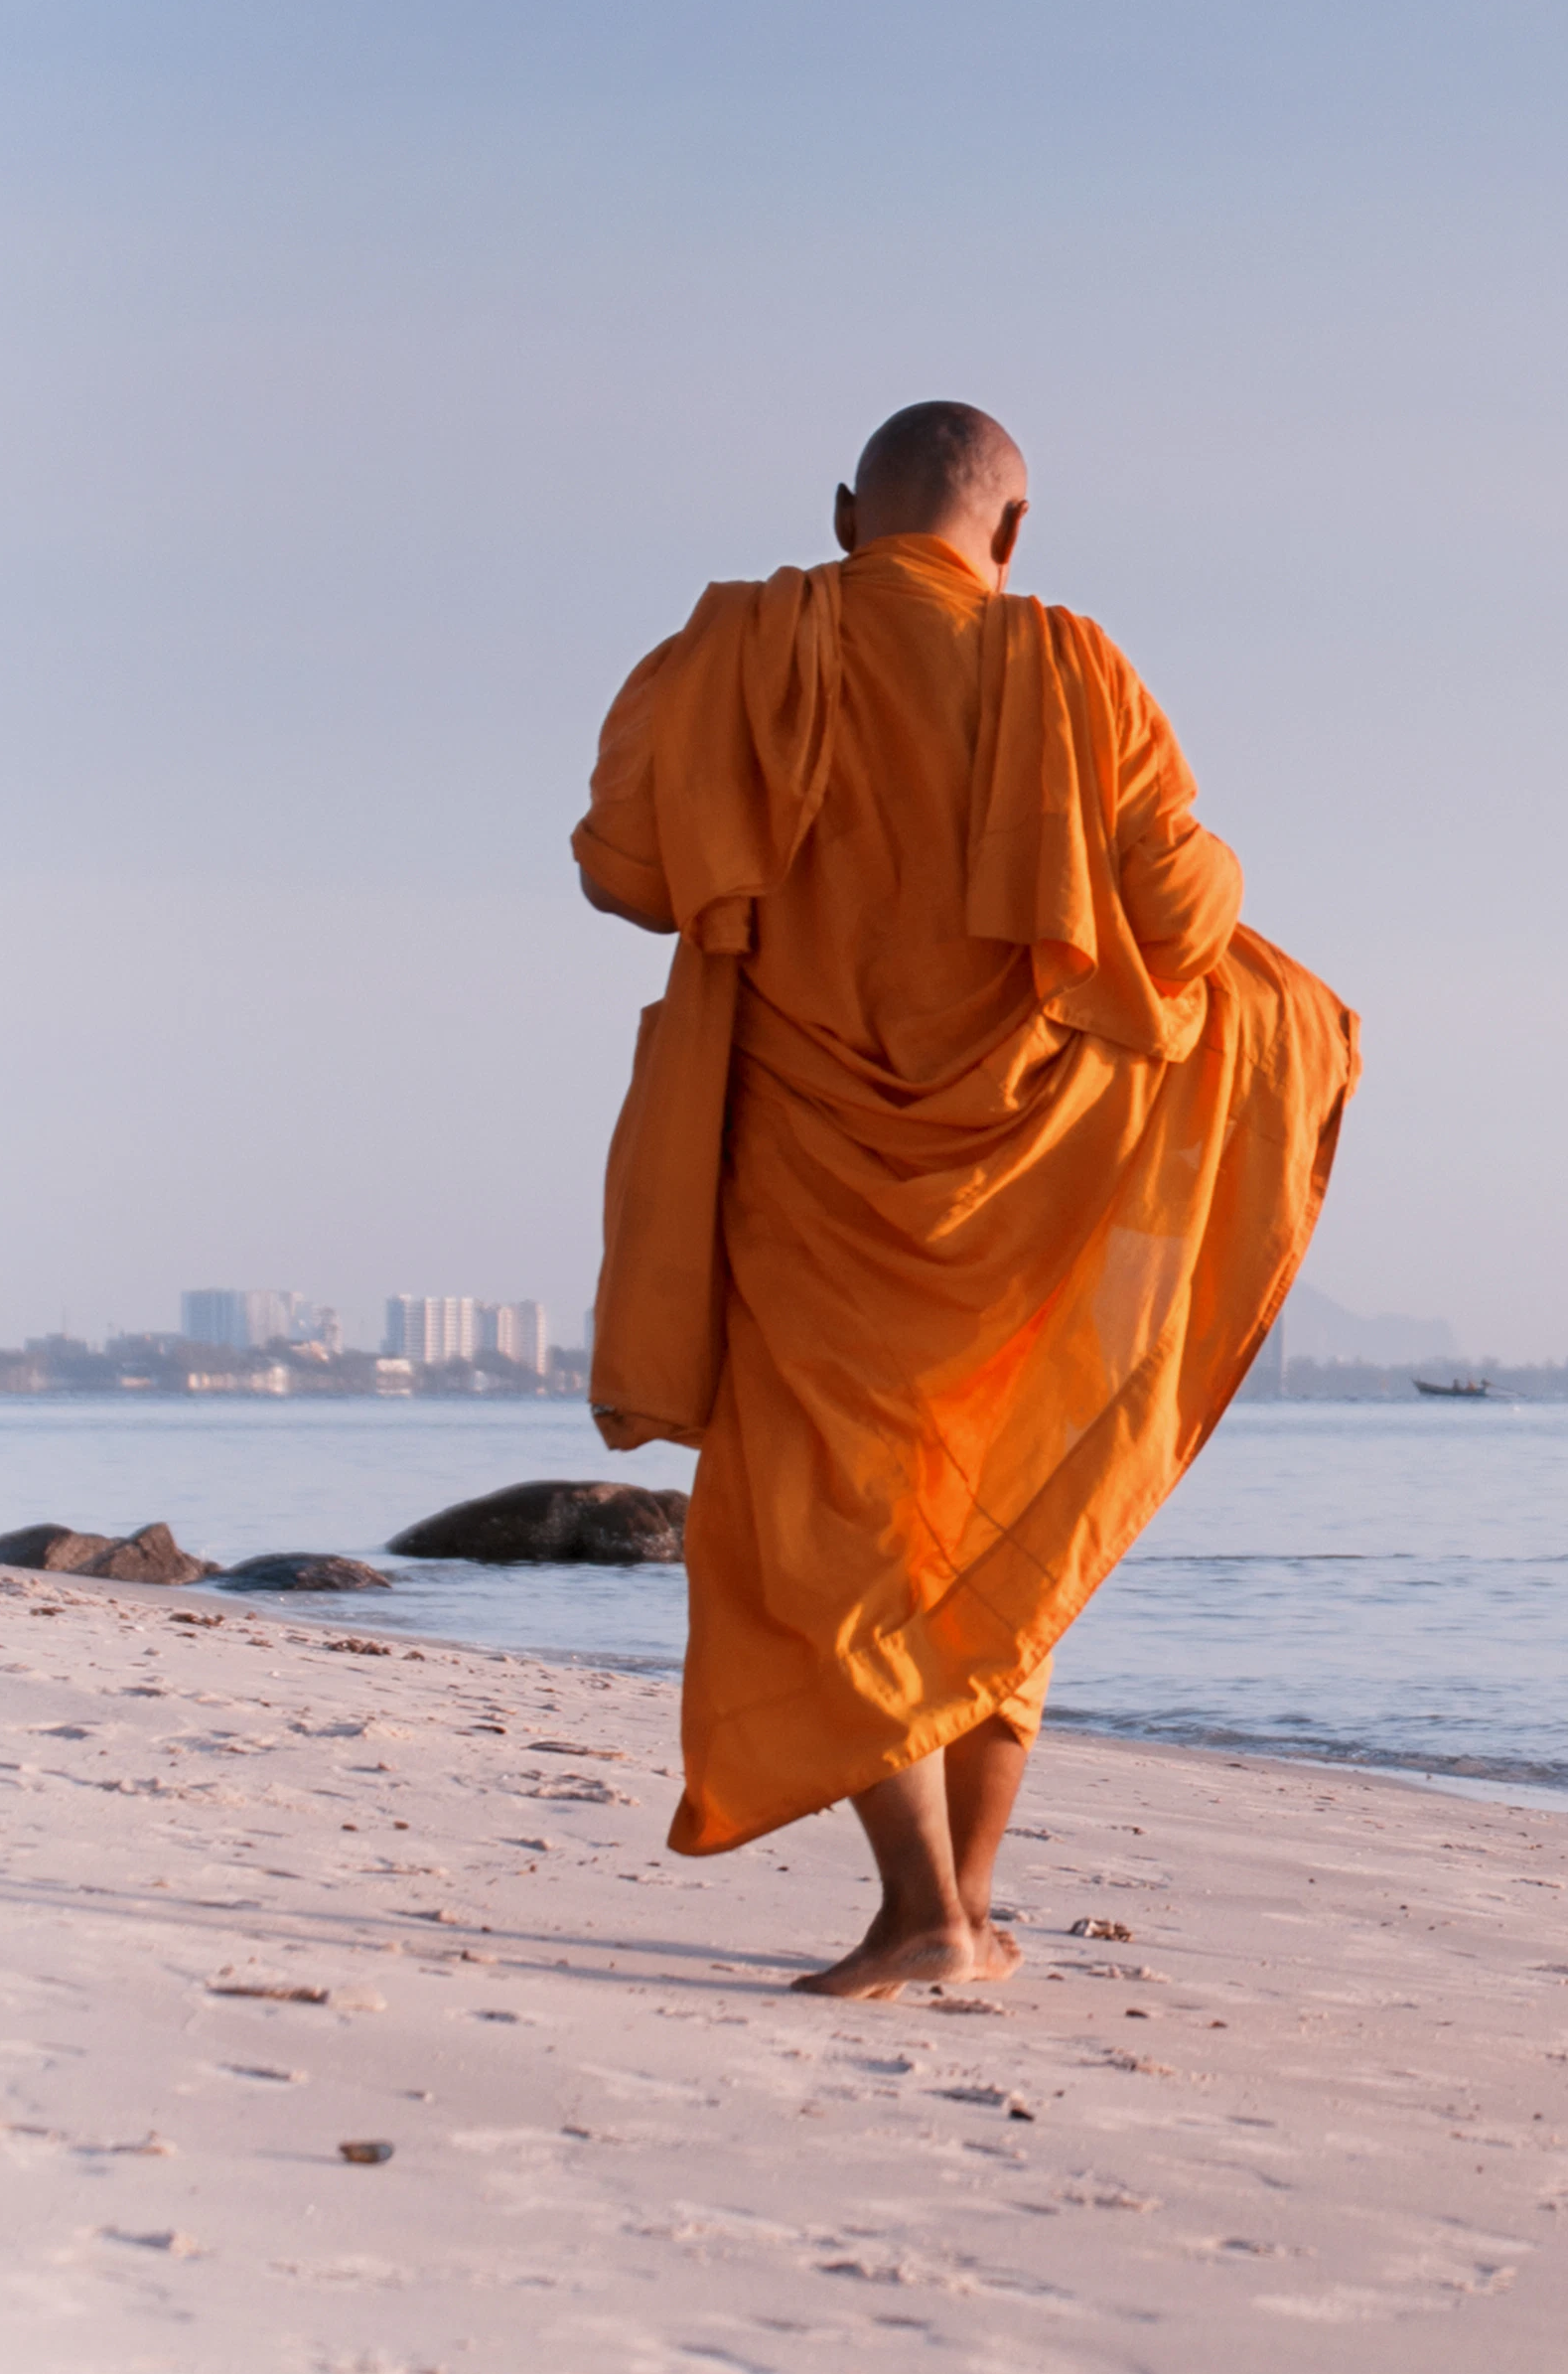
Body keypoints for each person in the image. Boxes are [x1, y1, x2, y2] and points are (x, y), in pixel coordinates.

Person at [573, 401, 1354, 1995]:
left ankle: (926, 1913)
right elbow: (1181, 912)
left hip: (810, 1180)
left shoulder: (734, 650)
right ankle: (967, 1908)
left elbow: (624, 868)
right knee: (991, 1515)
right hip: (1028, 1195)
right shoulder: (1073, 672)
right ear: (1008, 537)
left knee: (826, 1532)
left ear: (847, 509)